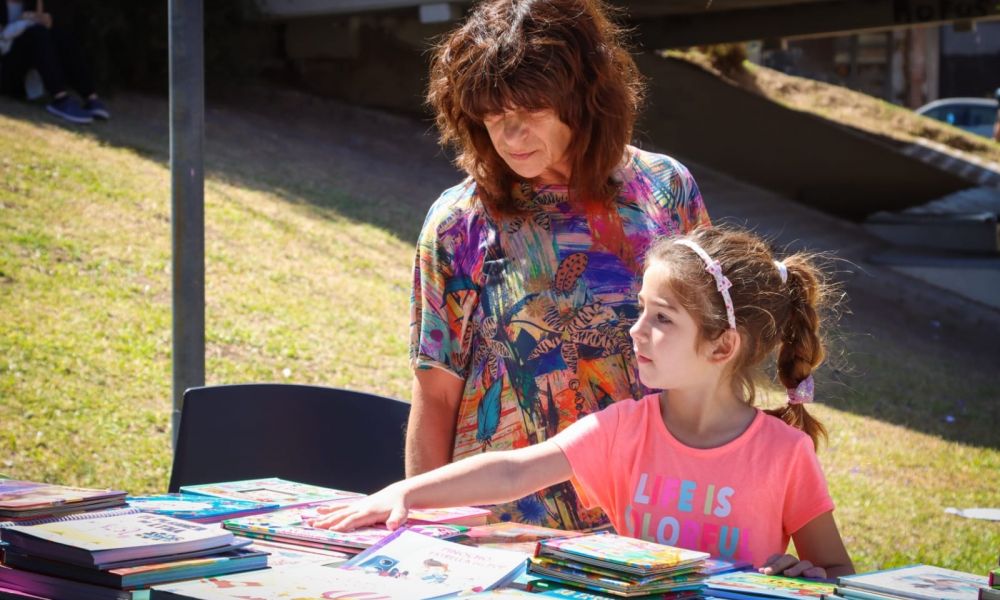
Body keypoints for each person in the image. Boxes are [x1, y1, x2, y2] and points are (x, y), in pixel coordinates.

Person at [311, 227, 855, 578]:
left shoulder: (786, 454)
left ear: (722, 345)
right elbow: (510, 472)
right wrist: (405, 491)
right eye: (641, 310)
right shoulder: (624, 428)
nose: (636, 331)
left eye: (662, 318)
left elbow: (838, 573)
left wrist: (812, 577)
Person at [405, 0, 710, 532]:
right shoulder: (459, 223)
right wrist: (421, 537)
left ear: (585, 98)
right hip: (503, 538)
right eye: (494, 116)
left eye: (530, 111)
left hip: (650, 526)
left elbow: (709, 361)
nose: (510, 136)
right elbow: (435, 397)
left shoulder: (667, 190)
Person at [0, 0, 109, 124]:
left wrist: (46, 23)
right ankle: (60, 98)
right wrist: (24, 23)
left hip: (22, 78)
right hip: (5, 75)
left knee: (59, 34)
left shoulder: (31, 4)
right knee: (37, 33)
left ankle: (90, 97)